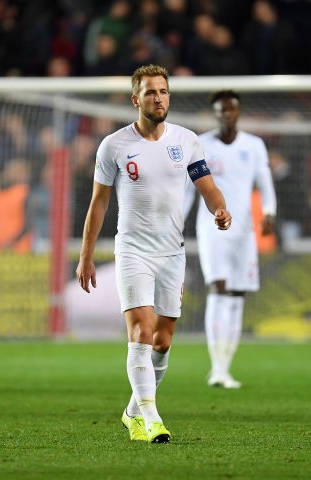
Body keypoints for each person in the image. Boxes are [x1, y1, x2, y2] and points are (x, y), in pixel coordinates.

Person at [76, 64, 231, 444]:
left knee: (162, 341)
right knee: (141, 332)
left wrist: (220, 209)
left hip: (171, 253)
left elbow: (206, 185)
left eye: (163, 91)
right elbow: (98, 204)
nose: (158, 98)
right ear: (135, 100)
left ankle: (132, 412)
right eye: (150, 92)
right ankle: (152, 418)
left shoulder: (187, 140)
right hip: (132, 251)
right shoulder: (113, 145)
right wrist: (86, 255)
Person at [184, 90, 276, 388]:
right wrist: (177, 221)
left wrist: (270, 212)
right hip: (212, 227)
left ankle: (226, 367)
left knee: (237, 295)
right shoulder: (201, 145)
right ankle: (216, 367)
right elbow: (188, 190)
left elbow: (264, 180)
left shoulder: (254, 145)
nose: (226, 115)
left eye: (231, 110)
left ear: (238, 112)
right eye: (221, 111)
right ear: (215, 114)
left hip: (244, 230)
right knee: (219, 288)